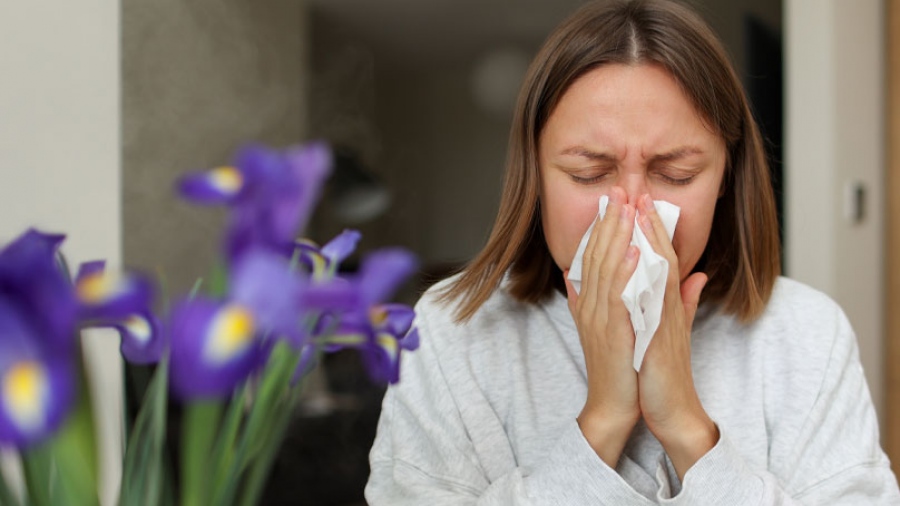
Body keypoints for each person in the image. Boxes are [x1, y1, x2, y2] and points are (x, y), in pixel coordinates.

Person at [365, 0, 900, 503]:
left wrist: (686, 426)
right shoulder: (451, 332)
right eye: (588, 173)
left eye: (677, 174)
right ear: (536, 176)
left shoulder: (806, 334)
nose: (632, 212)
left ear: (725, 177)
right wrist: (603, 420)